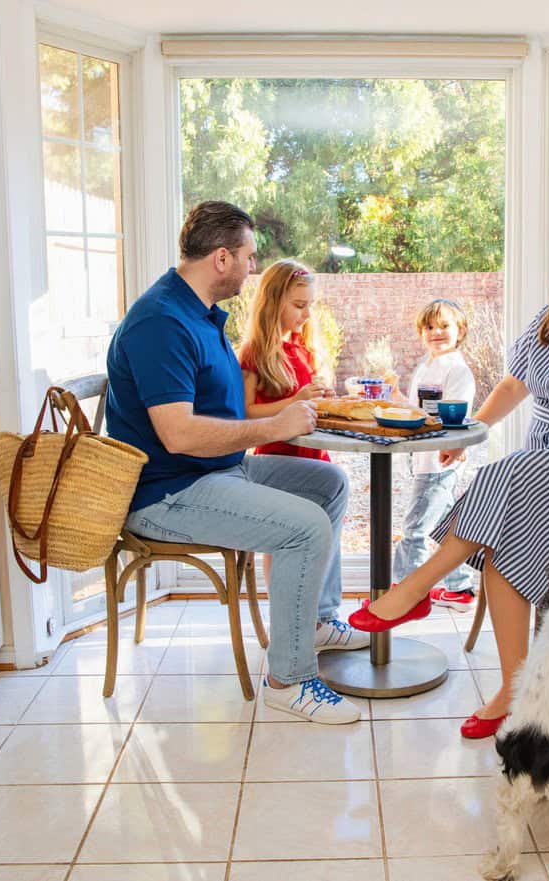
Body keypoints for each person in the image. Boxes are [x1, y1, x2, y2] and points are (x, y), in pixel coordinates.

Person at [349, 226, 549, 740]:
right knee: (503, 538)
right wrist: (472, 432)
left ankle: (413, 588)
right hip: (543, 473)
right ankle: (513, 691)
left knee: (505, 473)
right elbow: (513, 385)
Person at [105, 201, 367, 726]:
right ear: (221, 258)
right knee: (305, 527)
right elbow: (178, 434)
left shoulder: (197, 312)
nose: (252, 268)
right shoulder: (161, 322)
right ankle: (289, 680)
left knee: (329, 484)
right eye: (248, 257)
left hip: (216, 470)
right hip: (168, 493)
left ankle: (314, 622)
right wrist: (273, 427)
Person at [238, 258, 336, 600]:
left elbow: (305, 401)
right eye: (298, 305)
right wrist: (295, 400)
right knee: (284, 540)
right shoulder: (253, 354)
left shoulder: (300, 349)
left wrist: (321, 398)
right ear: (272, 302)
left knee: (323, 533)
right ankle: (283, 607)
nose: (306, 314)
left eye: (310, 305)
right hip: (278, 455)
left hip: (314, 455)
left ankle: (318, 610)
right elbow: (246, 413)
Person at [392, 298, 479, 611]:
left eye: (444, 326)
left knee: (415, 528)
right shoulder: (427, 366)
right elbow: (419, 411)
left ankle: (404, 594)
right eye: (429, 327)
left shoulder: (457, 370)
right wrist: (397, 398)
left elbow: (455, 415)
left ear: (460, 331)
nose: (436, 332)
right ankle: (461, 589)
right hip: (424, 459)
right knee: (444, 526)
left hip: (439, 462)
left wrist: (456, 445)